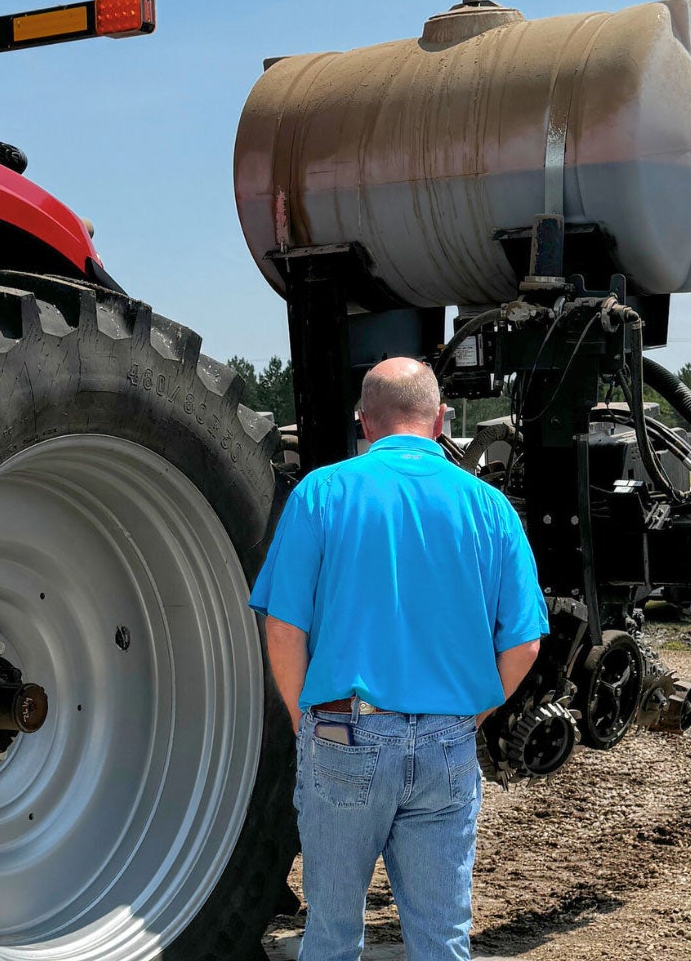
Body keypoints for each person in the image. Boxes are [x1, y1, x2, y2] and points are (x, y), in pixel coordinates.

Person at [250, 357, 547, 961]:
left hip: (344, 731)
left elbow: (283, 627)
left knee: (331, 936)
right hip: (447, 743)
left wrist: (301, 716)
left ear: (364, 423)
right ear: (440, 420)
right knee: (441, 939)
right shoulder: (489, 508)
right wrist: (474, 716)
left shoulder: (323, 492)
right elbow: (524, 643)